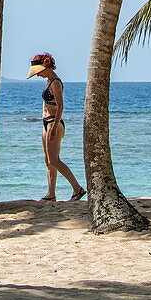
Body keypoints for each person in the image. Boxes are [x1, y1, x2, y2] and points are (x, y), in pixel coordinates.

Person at [26, 53, 85, 202]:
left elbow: (60, 106)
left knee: (54, 161)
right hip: (46, 122)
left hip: (54, 123)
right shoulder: (48, 81)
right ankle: (51, 194)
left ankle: (77, 189)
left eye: (39, 71)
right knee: (48, 160)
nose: (38, 75)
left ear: (46, 67)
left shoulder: (56, 83)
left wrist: (53, 127)